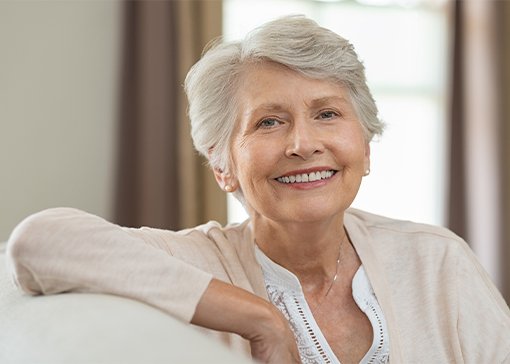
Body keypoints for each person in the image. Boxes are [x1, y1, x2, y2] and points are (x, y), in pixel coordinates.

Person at [6, 15, 510, 364]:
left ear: (366, 145)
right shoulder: (195, 262)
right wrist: (259, 318)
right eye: (269, 122)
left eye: (328, 114)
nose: (303, 144)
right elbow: (40, 244)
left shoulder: (436, 262)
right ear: (222, 167)